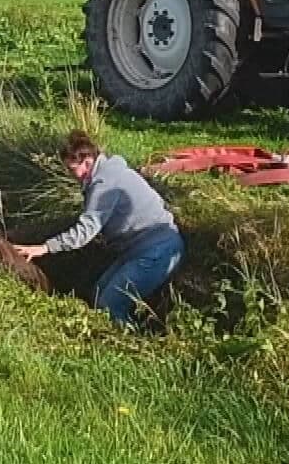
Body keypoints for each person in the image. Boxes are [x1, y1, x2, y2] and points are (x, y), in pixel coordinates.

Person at [13, 131, 184, 326]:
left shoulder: (105, 184)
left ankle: (130, 348)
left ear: (87, 161)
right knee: (96, 296)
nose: (70, 174)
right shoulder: (108, 172)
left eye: (71, 168)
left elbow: (86, 231)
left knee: (109, 307)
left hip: (157, 251)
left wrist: (44, 248)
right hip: (138, 250)